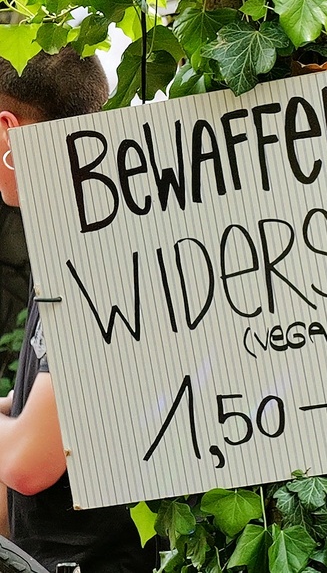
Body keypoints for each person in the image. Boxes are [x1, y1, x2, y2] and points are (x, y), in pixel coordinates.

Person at [0, 47, 158, 573]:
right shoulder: (98, 232)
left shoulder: (89, 253)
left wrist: (21, 431)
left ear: (6, 132)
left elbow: (29, 464)